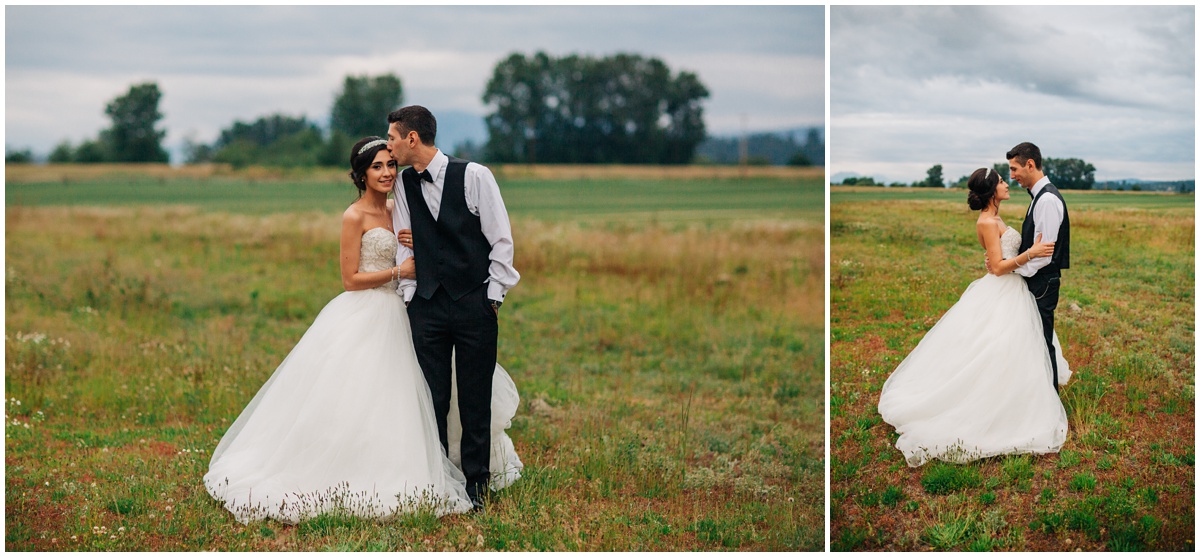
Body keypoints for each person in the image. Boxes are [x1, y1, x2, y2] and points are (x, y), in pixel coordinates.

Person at [203, 137, 521, 524]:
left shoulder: (402, 204)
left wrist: (419, 244)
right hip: (369, 312)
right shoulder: (354, 216)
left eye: (391, 164)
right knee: (365, 398)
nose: (388, 172)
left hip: (412, 311)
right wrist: (398, 272)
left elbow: (440, 240)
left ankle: (443, 468)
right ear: (362, 174)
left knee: (424, 394)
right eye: (377, 167)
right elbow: (349, 279)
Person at [877, 167, 1069, 467]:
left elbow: (998, 261)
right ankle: (992, 407)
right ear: (993, 191)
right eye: (1003, 181)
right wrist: (1030, 253)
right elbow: (997, 266)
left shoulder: (995, 217)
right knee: (995, 348)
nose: (1008, 183)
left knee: (1012, 348)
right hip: (1003, 289)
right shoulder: (988, 221)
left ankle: (1015, 399)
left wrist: (1015, 258)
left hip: (1011, 288)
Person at [386, 105, 520, 511]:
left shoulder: (476, 176)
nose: (389, 145)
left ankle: (478, 490)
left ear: (412, 138)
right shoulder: (403, 185)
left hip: (474, 303)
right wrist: (411, 296)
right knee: (433, 399)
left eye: (392, 137)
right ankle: (440, 483)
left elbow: (501, 241)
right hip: (426, 306)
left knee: (475, 399)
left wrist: (492, 297)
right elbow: (401, 243)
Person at [1002, 141, 1071, 392]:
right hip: (1036, 280)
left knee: (1042, 342)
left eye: (1014, 169)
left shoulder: (1048, 200)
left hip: (1042, 282)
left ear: (1030, 164)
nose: (1012, 176)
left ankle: (1049, 399)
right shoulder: (1038, 197)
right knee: (1031, 340)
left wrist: (1012, 268)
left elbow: (1044, 255)